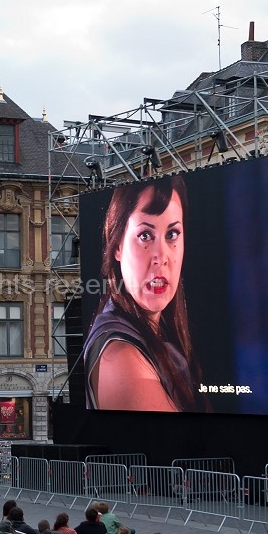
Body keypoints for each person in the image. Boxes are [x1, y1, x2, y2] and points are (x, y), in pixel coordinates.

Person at [81, 176, 206, 412]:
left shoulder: (159, 333)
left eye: (172, 234)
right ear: (117, 245)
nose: (162, 257)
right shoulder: (120, 357)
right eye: (145, 236)